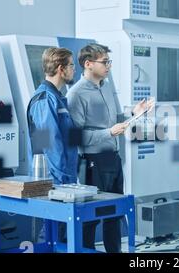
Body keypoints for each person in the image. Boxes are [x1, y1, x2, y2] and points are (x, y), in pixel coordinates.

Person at [67, 43, 153, 252]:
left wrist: (134, 113)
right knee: (91, 217)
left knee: (114, 213)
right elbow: (76, 137)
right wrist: (109, 132)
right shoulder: (76, 94)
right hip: (92, 162)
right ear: (88, 64)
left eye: (109, 61)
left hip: (112, 159)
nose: (109, 66)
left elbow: (115, 120)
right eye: (104, 62)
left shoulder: (106, 86)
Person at [27, 47, 78, 185]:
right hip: (52, 180)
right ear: (61, 69)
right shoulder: (44, 99)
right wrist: (61, 183)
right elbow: (49, 145)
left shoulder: (57, 98)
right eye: (72, 65)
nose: (74, 69)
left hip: (65, 177)